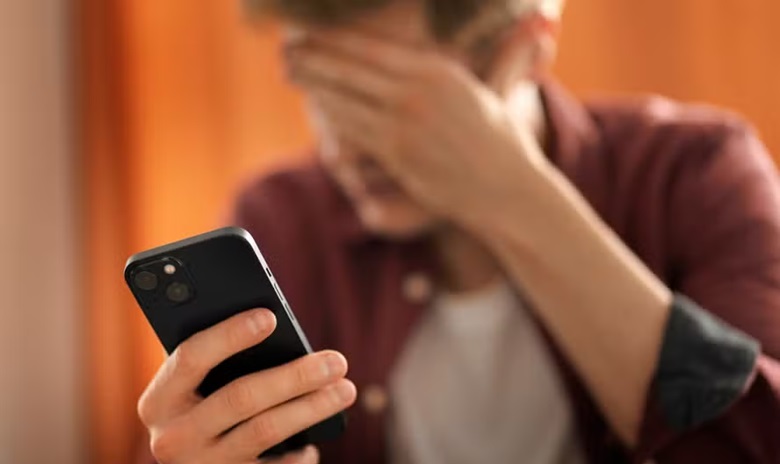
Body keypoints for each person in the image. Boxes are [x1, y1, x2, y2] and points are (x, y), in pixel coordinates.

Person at [136, 0, 780, 463]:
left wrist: (512, 193)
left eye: (383, 99)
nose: (344, 148)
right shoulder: (283, 218)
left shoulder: (696, 172)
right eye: (322, 92)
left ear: (529, 46)